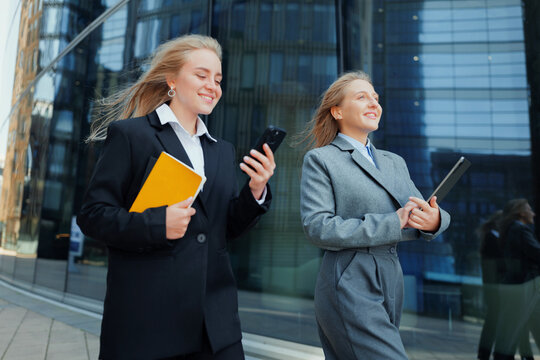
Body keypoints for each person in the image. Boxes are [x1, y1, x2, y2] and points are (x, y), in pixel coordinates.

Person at [77, 34, 276, 360]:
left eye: (218, 78)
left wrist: (254, 192)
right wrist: (158, 224)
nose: (213, 85)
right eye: (201, 75)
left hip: (216, 325)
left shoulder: (222, 150)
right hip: (149, 323)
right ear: (171, 79)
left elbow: (223, 230)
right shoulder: (132, 136)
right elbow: (93, 216)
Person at [300, 71, 450, 359]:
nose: (374, 103)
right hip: (348, 276)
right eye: (362, 97)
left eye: (376, 98)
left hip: (391, 276)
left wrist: (433, 221)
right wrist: (393, 222)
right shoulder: (321, 159)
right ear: (337, 110)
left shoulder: (395, 162)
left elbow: (421, 211)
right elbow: (317, 227)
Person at [493, 199, 540, 360]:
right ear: (521, 213)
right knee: (517, 327)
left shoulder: (508, 230)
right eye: (529, 209)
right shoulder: (520, 230)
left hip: (514, 284)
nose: (533, 213)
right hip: (526, 285)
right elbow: (536, 253)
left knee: (516, 327)